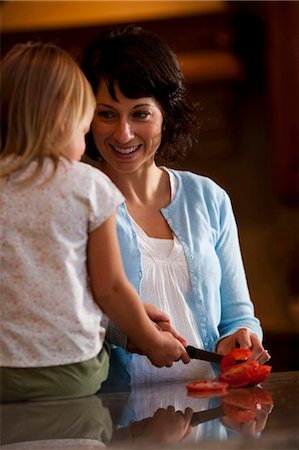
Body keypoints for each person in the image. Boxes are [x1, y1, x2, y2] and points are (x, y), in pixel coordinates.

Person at [81, 25, 271, 387]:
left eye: (140, 114)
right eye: (106, 114)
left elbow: (236, 315)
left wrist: (242, 335)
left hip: (210, 418)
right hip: (113, 427)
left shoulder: (208, 198)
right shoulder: (76, 200)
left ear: (166, 113)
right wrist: (126, 332)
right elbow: (65, 318)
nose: (123, 134)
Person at [0, 41, 189, 403]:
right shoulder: (88, 186)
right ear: (64, 121)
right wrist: (152, 342)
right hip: (71, 371)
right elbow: (111, 289)